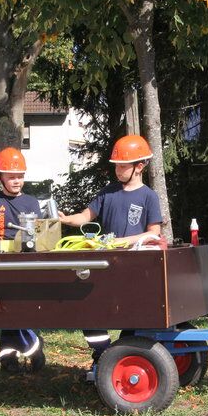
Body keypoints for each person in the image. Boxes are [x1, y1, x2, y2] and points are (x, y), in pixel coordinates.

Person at [58, 134, 163, 361]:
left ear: (140, 166)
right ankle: (103, 354)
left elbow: (154, 232)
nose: (118, 170)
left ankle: (123, 357)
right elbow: (86, 216)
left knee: (132, 316)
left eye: (123, 166)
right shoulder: (107, 192)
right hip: (106, 265)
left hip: (133, 267)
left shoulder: (149, 197)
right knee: (90, 311)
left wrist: (124, 242)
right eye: (116, 166)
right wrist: (66, 220)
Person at [0, 147, 45, 373]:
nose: (16, 181)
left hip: (26, 261)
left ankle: (34, 346)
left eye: (20, 176)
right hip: (2, 260)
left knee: (25, 306)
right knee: (6, 308)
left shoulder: (31, 202)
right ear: (0, 177)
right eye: (11, 176)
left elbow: (37, 232)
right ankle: (9, 357)